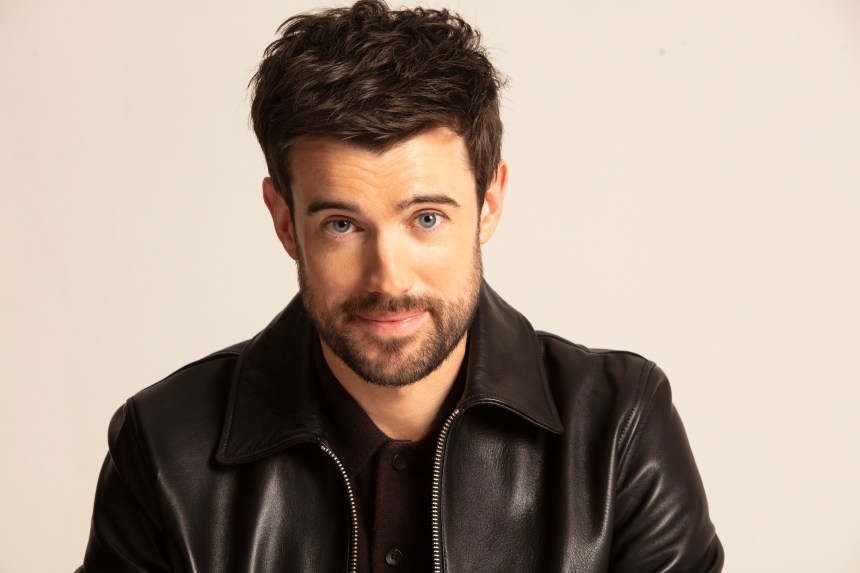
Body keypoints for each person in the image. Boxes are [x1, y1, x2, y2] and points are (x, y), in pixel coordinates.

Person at [78, 1, 723, 571]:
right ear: (284, 221)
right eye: (341, 224)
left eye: (426, 218)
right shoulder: (164, 449)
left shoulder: (619, 432)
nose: (389, 278)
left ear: (489, 202)